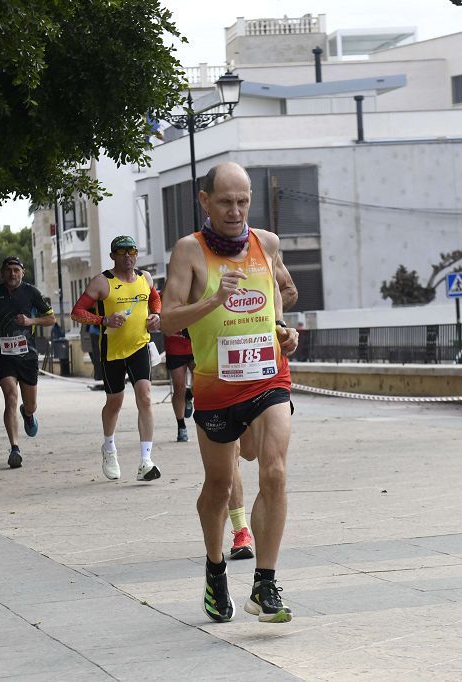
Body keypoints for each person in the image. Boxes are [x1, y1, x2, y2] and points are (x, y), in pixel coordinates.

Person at [161, 162, 300, 624]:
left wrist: (284, 332)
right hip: (216, 386)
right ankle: (215, 567)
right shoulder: (189, 252)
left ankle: (265, 581)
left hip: (268, 377)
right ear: (205, 201)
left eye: (243, 201)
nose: (236, 211)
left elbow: (277, 299)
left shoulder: (267, 244)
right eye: (225, 202)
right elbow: (168, 319)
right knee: (219, 488)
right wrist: (215, 300)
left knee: (275, 472)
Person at [70, 235, 161, 482]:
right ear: (113, 256)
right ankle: (109, 448)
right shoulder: (102, 282)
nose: (128, 256)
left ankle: (146, 460)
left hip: (140, 346)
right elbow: (77, 312)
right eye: (122, 252)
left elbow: (154, 298)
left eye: (132, 251)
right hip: (112, 351)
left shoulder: (145, 278)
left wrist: (156, 315)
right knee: (115, 403)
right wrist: (103, 320)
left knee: (145, 396)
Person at [0, 256, 55, 469]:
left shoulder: (32, 293)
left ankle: (28, 414)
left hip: (27, 355)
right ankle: (15, 448)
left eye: (16, 270)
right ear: (2, 273)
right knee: (10, 396)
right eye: (8, 270)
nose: (12, 274)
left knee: (31, 404)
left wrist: (31, 321)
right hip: (3, 355)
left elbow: (51, 318)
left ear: (23, 272)